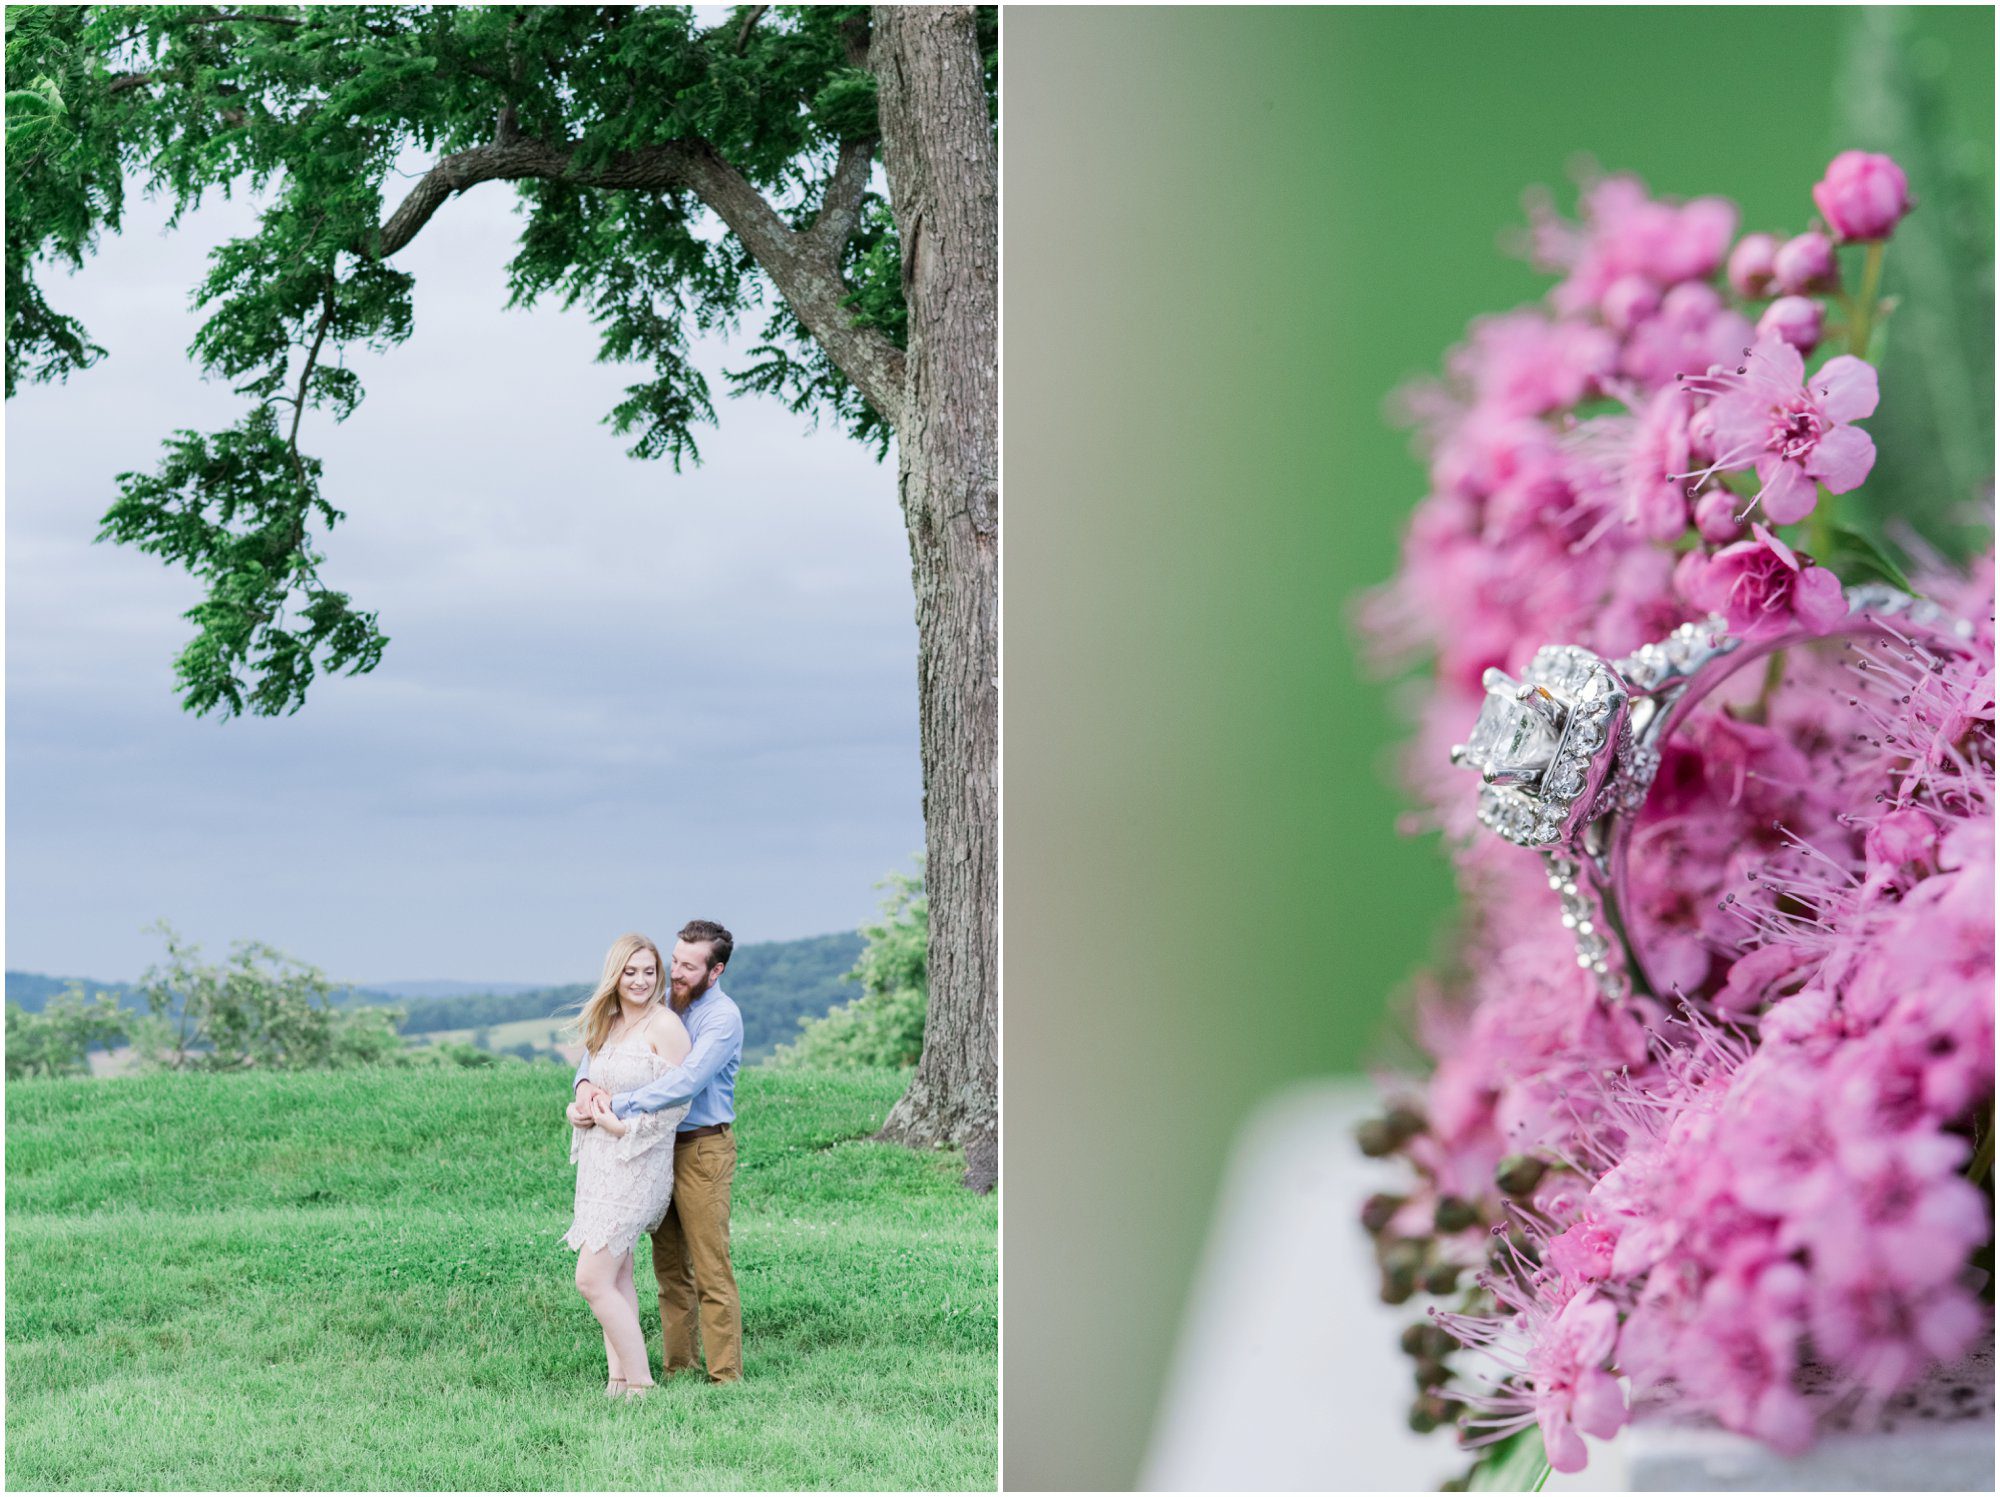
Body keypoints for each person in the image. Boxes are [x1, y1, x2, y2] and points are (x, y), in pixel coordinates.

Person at [572, 918, 745, 1383]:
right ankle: (676, 1365)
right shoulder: (661, 1001)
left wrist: (619, 1106)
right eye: (675, 961)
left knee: (709, 1266)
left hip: (701, 1146)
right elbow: (600, 1051)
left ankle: (724, 1378)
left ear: (716, 971)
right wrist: (585, 1088)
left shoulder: (721, 1018)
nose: (676, 973)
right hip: (650, 1148)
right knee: (668, 1267)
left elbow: (684, 1083)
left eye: (689, 966)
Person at [559, 932, 693, 1397]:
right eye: (630, 972)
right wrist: (579, 1108)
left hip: (638, 1164)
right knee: (616, 1275)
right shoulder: (608, 1023)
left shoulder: (666, 1026)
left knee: (591, 1279)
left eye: (649, 972)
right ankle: (618, 1378)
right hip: (598, 1166)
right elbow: (589, 1082)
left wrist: (624, 1130)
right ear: (615, 976)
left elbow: (678, 1103)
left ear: (658, 976)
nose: (640, 981)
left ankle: (641, 1382)